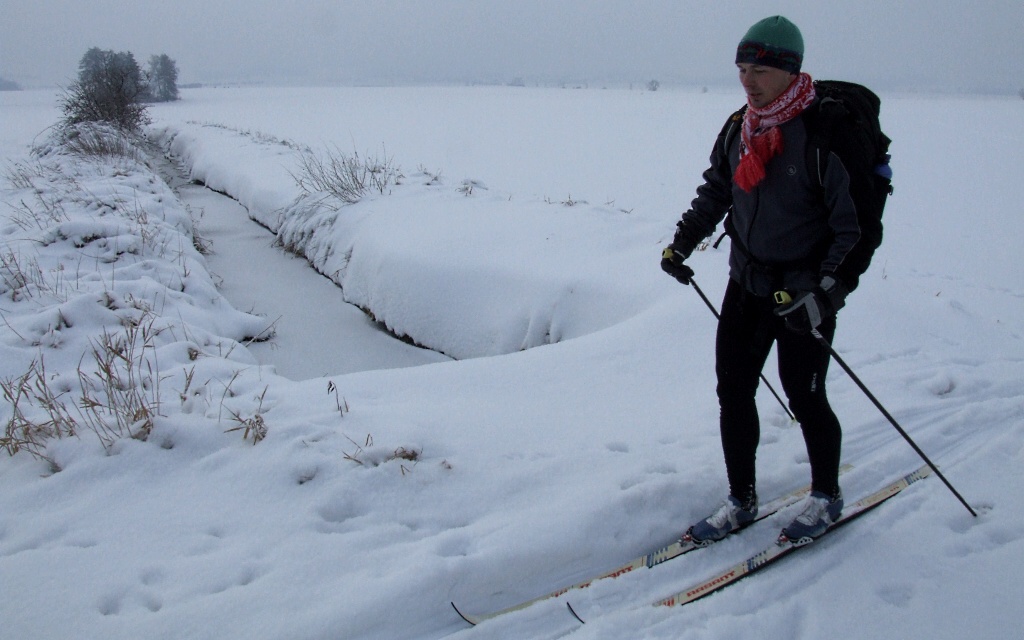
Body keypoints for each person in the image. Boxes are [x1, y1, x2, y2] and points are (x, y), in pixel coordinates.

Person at [660, 15, 882, 544]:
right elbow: (718, 189)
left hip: (804, 292)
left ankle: (826, 496)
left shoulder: (827, 133)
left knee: (805, 397)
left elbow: (857, 229)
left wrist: (825, 292)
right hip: (747, 282)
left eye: (759, 68)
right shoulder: (742, 126)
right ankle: (741, 501)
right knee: (733, 391)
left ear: (789, 69)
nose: (747, 79)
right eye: (741, 67)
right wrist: (682, 242)